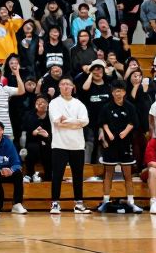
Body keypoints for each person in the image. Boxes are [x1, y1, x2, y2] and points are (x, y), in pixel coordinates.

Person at [96, 81, 142, 213]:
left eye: (120, 91)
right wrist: (109, 133)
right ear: (112, 93)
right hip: (110, 145)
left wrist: (126, 131)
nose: (118, 93)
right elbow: (103, 122)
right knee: (108, 174)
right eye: (116, 91)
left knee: (127, 175)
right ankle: (105, 201)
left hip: (125, 144)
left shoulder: (130, 107)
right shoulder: (106, 107)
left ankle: (131, 201)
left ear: (124, 92)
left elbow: (134, 122)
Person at [48, 78, 91, 214]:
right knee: (57, 175)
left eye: (68, 84)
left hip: (77, 145)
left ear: (73, 87)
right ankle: (55, 203)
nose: (66, 86)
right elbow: (57, 122)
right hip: (59, 144)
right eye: (63, 84)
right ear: (59, 87)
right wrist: (75, 122)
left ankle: (79, 203)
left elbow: (85, 121)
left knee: (78, 175)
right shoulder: (54, 103)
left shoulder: (79, 104)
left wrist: (67, 121)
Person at [20, 94, 52, 182]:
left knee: (48, 149)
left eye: (42, 102)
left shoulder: (51, 116)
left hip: (48, 141)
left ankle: (49, 175)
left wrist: (47, 136)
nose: (39, 104)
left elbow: (55, 133)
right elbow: (25, 130)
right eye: (37, 102)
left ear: (47, 104)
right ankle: (29, 174)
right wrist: (33, 133)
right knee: (33, 147)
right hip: (33, 140)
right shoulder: (29, 115)